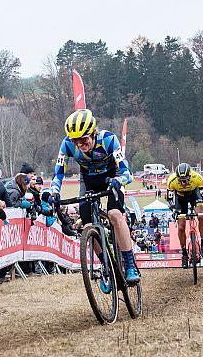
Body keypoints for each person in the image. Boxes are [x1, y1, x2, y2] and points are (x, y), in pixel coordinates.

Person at [50, 109, 139, 284]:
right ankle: (105, 265)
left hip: (112, 177)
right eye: (76, 141)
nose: (80, 145)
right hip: (88, 180)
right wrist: (53, 191)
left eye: (84, 140)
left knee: (114, 215)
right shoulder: (67, 144)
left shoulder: (108, 139)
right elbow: (58, 174)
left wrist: (119, 180)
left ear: (93, 133)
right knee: (87, 226)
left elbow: (127, 173)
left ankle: (129, 264)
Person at [166, 163, 203, 268]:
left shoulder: (197, 178)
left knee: (201, 215)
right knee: (181, 227)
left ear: (190, 176)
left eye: (185, 179)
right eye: (180, 180)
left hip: (194, 194)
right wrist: (174, 210)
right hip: (180, 198)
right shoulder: (171, 180)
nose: (183, 182)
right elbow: (170, 198)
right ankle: (184, 253)